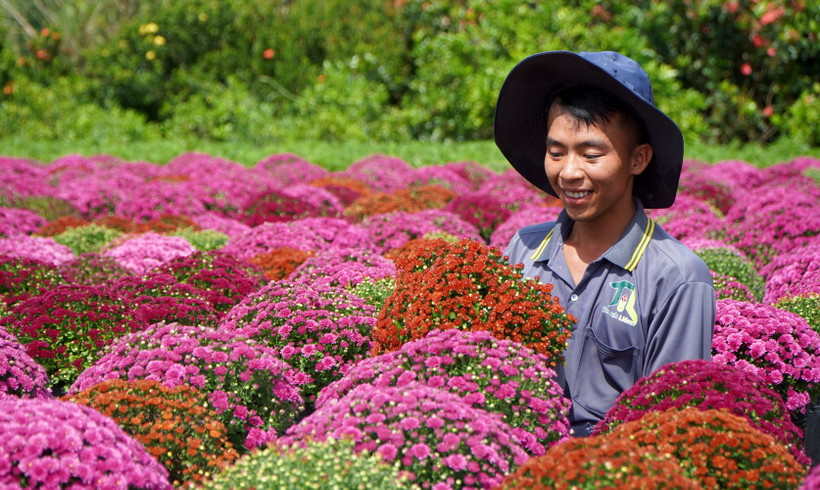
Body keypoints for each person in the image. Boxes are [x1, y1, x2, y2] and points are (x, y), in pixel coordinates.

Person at [494, 50, 716, 437]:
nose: (569, 173)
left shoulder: (676, 277)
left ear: (638, 159)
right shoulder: (523, 250)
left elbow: (671, 420)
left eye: (591, 155)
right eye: (556, 152)